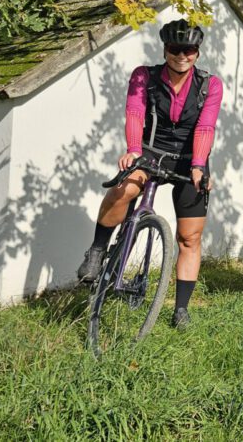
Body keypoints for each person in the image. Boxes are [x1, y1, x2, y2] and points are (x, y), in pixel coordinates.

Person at [76, 19, 223, 330]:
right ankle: (98, 250)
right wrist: (132, 149)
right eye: (174, 49)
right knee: (125, 188)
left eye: (189, 50)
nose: (181, 55)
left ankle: (181, 310)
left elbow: (206, 126)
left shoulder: (210, 85)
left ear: (197, 52)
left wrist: (198, 164)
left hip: (189, 159)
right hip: (150, 150)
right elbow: (135, 112)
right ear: (165, 49)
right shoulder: (145, 76)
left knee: (190, 237)